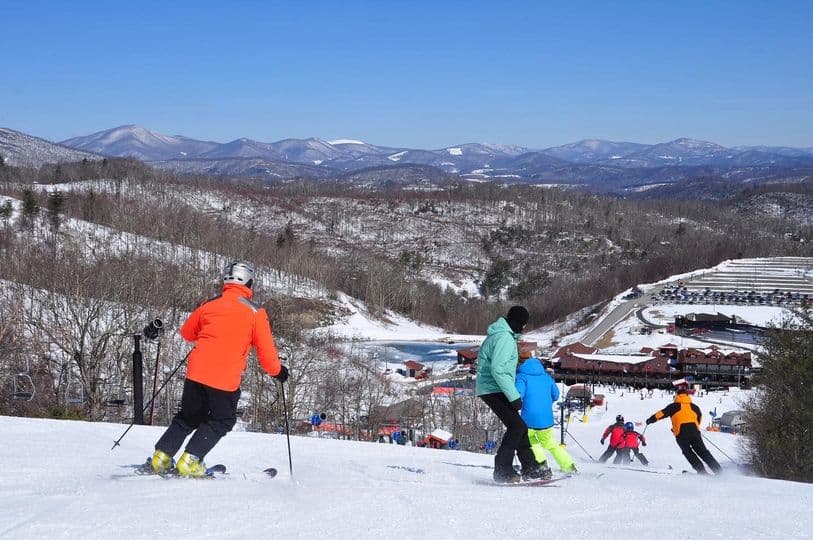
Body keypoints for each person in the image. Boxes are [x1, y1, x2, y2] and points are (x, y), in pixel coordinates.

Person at [150, 261, 289, 477]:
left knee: (187, 417)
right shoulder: (255, 312)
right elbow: (266, 353)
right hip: (224, 377)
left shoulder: (209, 304)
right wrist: (279, 372)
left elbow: (187, 333)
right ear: (249, 283)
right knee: (222, 420)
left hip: (195, 373)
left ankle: (161, 458)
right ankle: (191, 460)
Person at [476, 305, 542, 483]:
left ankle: (530, 467)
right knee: (517, 427)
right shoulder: (504, 337)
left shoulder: (501, 334)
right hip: (492, 388)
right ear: (520, 323)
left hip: (492, 386)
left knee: (520, 426)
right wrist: (514, 396)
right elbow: (498, 370)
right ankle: (502, 469)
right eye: (524, 325)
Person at [515, 354, 577, 477]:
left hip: (528, 419)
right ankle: (569, 465)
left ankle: (541, 464)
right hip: (547, 419)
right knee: (551, 444)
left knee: (531, 442)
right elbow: (555, 394)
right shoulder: (547, 377)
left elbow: (518, 395)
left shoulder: (521, 377)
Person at [646, 386, 721, 474]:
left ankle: (702, 471)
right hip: (694, 431)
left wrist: (650, 420)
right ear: (687, 396)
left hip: (681, 433)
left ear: (677, 395)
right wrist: (693, 426)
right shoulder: (694, 407)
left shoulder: (673, 406)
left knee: (687, 452)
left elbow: (661, 414)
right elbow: (699, 419)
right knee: (703, 452)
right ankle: (719, 472)